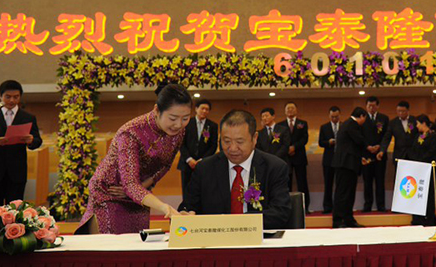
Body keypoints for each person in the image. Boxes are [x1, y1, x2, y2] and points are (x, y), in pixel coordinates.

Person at [78, 84, 192, 234]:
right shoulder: (131, 132)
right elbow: (130, 183)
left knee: (138, 242)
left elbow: (165, 166)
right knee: (112, 244)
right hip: (110, 194)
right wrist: (164, 207)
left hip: (140, 195)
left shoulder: (179, 132)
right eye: (173, 118)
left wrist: (144, 185)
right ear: (157, 110)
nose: (178, 124)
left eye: (185, 118)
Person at [180, 109, 291, 230]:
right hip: (217, 238)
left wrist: (237, 223)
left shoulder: (274, 167)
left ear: (254, 138)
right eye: (226, 141)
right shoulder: (204, 168)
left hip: (259, 238)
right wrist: (186, 214)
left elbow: (280, 213)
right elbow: (187, 206)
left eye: (240, 142)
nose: (232, 148)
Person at [0, 80, 43, 208]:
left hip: (16, 172)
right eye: (8, 97)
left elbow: (37, 140)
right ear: (0, 96)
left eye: (16, 97)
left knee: (15, 211)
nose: (12, 100)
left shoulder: (28, 117)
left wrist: (31, 141)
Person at [176, 99, 218, 201]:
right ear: (196, 109)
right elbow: (181, 143)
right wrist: (189, 159)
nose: (204, 111)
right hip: (187, 163)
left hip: (204, 164)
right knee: (187, 189)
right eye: (202, 108)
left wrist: (203, 160)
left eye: (207, 109)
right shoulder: (186, 123)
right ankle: (186, 207)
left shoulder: (212, 126)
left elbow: (213, 146)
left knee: (203, 189)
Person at [332, 107, 367, 228]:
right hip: (345, 164)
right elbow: (360, 141)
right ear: (361, 116)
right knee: (343, 193)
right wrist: (368, 148)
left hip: (349, 164)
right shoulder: (352, 124)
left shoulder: (347, 124)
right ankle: (338, 220)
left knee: (349, 193)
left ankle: (348, 219)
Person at [407, 115, 436, 226]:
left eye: (418, 123)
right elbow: (413, 149)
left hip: (428, 169)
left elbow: (432, 152)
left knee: (429, 194)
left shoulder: (434, 136)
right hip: (418, 170)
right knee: (418, 193)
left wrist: (421, 161)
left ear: (424, 123)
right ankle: (418, 218)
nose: (416, 126)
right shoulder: (419, 136)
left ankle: (429, 217)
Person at [278, 102, 310, 211]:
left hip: (299, 157)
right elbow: (279, 140)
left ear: (296, 110)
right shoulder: (280, 125)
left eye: (292, 108)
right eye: (288, 108)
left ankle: (305, 207)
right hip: (285, 158)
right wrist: (287, 148)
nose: (290, 110)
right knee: (286, 183)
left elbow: (304, 139)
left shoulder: (303, 123)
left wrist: (294, 147)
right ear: (284, 111)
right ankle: (287, 207)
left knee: (302, 183)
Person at [362, 96, 389, 212]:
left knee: (380, 181)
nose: (371, 108)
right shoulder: (362, 118)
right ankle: (367, 205)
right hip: (366, 155)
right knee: (367, 181)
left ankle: (380, 205)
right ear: (366, 106)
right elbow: (359, 136)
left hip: (380, 155)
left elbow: (387, 136)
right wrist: (367, 147)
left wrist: (380, 147)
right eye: (369, 106)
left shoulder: (384, 118)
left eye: (373, 106)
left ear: (378, 106)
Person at [377, 101, 416, 168]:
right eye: (399, 111)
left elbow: (420, 135)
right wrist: (382, 150)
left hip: (413, 154)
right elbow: (387, 138)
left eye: (403, 111)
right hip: (399, 155)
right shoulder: (393, 123)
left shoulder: (414, 120)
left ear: (408, 110)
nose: (401, 113)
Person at [318, 106, 341, 214]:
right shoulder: (324, 127)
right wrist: (328, 142)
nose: (334, 119)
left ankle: (339, 206)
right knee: (328, 184)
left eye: (336, 117)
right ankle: (327, 207)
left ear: (339, 115)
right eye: (332, 117)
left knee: (340, 185)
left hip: (340, 159)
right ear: (329, 116)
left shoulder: (344, 126)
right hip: (328, 160)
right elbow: (320, 142)